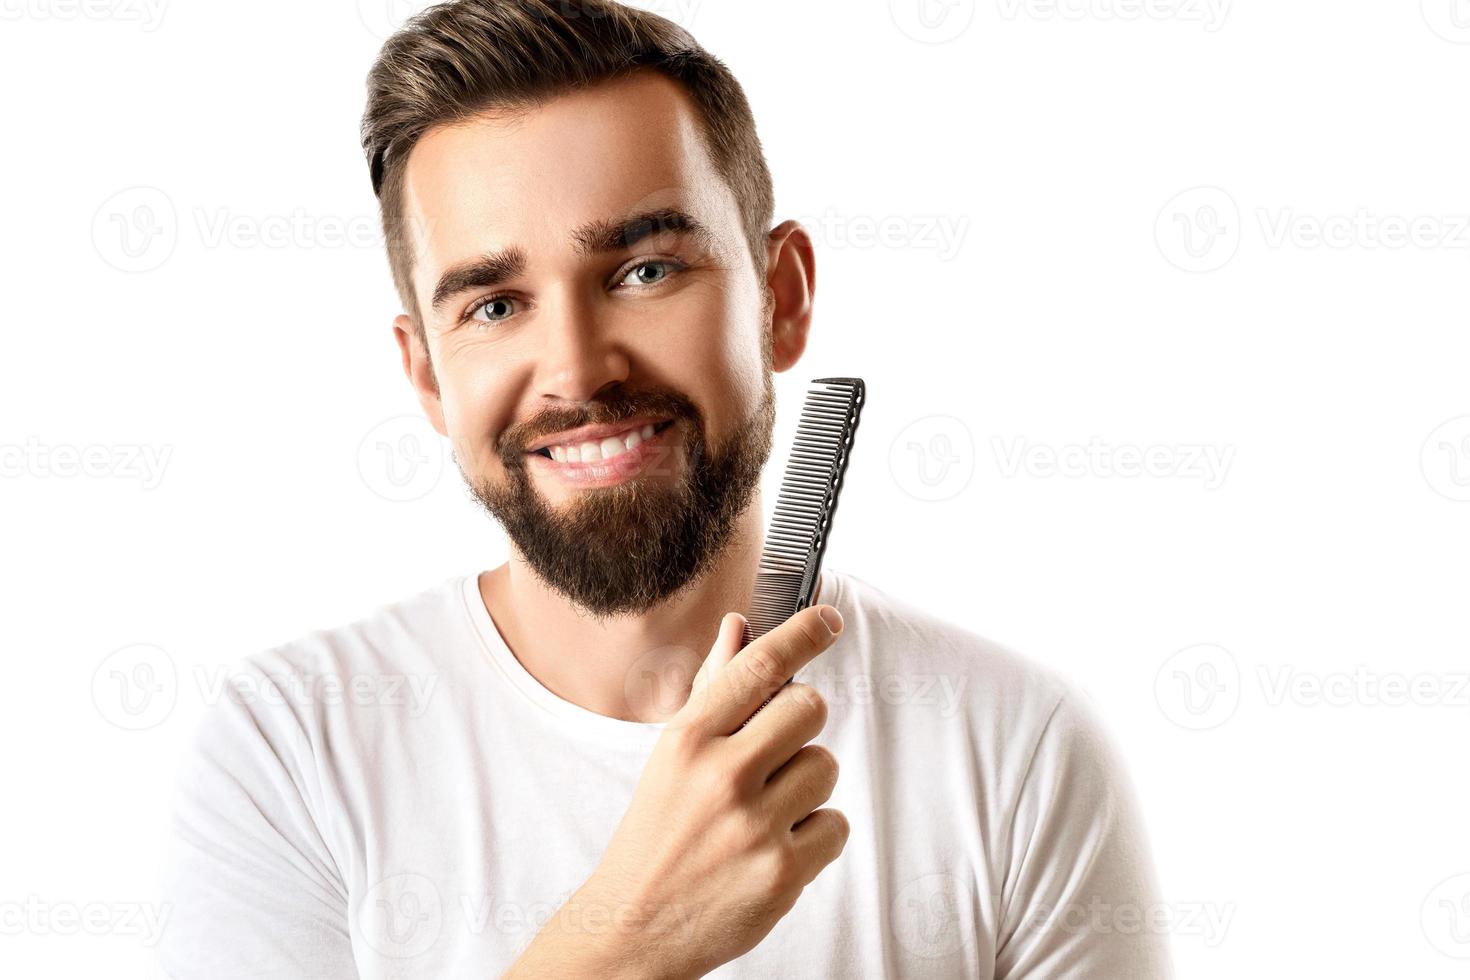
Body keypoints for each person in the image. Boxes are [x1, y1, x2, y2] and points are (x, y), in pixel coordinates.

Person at [158, 2, 1174, 977]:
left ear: (782, 299)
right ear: (425, 371)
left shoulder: (1015, 750)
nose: (578, 369)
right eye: (496, 303)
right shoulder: (290, 749)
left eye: (644, 270)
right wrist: (632, 936)